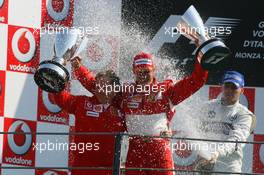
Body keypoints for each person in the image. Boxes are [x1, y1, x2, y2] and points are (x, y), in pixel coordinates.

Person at [71, 52, 208, 175]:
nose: (143, 75)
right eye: (139, 72)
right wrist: (78, 68)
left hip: (159, 149)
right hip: (136, 149)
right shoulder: (125, 92)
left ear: (154, 70)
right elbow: (98, 88)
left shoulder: (166, 91)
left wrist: (202, 56)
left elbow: (195, 82)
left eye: (146, 71)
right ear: (133, 71)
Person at [49, 57, 126, 175]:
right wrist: (54, 79)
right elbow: (61, 99)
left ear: (115, 90)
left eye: (104, 86)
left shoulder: (123, 109)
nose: (99, 90)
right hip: (82, 167)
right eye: (97, 86)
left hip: (109, 170)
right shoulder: (83, 103)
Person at [194, 71, 256, 174]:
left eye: (234, 87)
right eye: (227, 86)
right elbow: (195, 131)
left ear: (242, 90)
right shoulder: (207, 107)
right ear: (222, 87)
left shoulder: (244, 115)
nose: (229, 90)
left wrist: (216, 153)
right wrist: (201, 151)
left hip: (228, 168)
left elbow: (237, 140)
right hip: (204, 165)